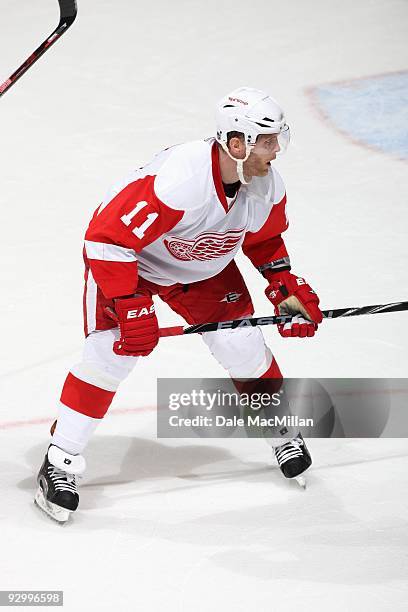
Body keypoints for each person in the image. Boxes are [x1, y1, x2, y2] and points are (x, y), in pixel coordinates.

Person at [34, 87, 323, 522]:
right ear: (236, 142)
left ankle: (278, 425)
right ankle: (60, 460)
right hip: (131, 265)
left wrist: (283, 284)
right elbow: (106, 239)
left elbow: (264, 239)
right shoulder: (180, 179)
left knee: (243, 347)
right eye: (266, 141)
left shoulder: (265, 184)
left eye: (278, 138)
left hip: (202, 265)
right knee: (109, 355)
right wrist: (130, 303)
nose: (276, 150)